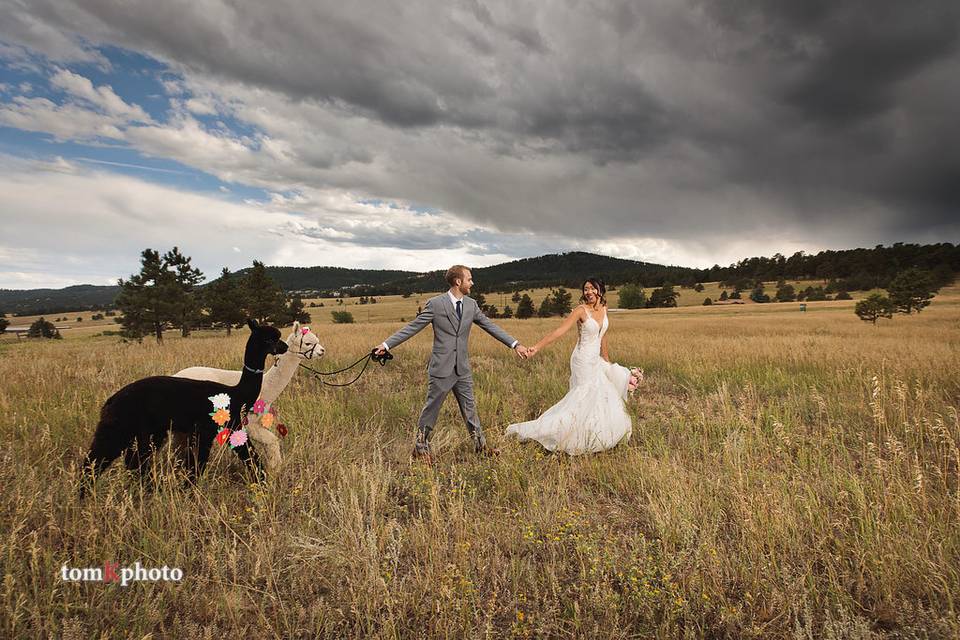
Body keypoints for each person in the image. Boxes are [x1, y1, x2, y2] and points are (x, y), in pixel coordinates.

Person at [374, 265, 530, 462]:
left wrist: (515, 344)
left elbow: (490, 326)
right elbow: (412, 327)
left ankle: (480, 448)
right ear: (458, 282)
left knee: (470, 409)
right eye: (469, 279)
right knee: (431, 410)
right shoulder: (436, 304)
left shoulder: (472, 305)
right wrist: (387, 345)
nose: (472, 283)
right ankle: (420, 450)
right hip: (441, 368)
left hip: (462, 368)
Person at [506, 277, 632, 454]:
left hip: (595, 359)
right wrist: (536, 347)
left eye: (592, 288)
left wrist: (606, 360)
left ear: (600, 290)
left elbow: (603, 335)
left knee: (599, 395)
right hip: (582, 359)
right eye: (585, 289)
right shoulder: (581, 311)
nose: (588, 292)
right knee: (583, 395)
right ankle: (566, 432)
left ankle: (594, 432)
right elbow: (559, 331)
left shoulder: (604, 308)